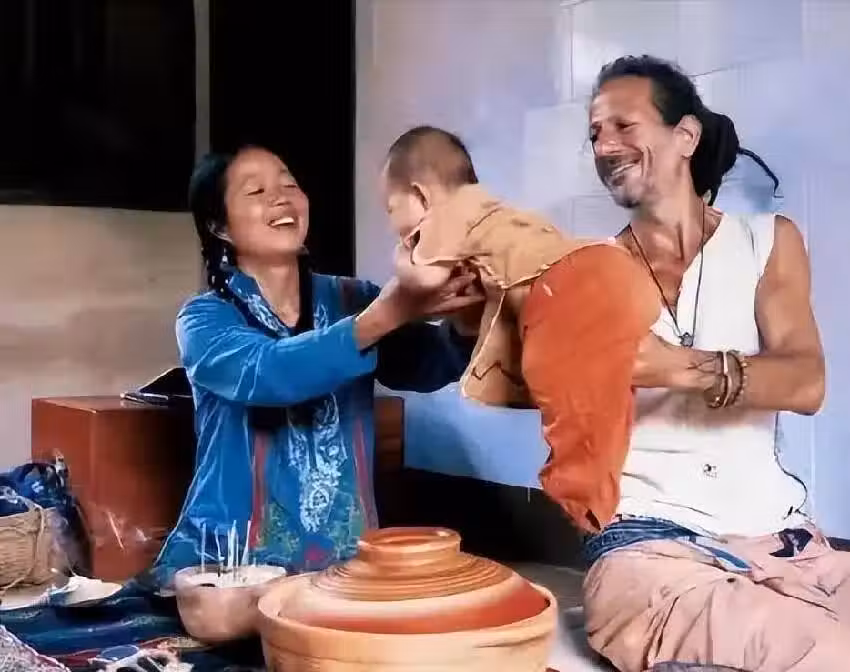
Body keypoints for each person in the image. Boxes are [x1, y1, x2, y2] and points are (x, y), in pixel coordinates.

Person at [581, 55, 844, 671]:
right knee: (827, 652)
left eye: (623, 126)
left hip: (784, 540)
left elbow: (805, 382)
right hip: (646, 545)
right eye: (594, 134)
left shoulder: (767, 241)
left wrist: (673, 367)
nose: (605, 146)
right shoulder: (585, 272)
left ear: (686, 136)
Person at [153, 145, 483, 580]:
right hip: (228, 564)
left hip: (343, 568)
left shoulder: (354, 298)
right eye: (256, 191)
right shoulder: (204, 318)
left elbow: (427, 364)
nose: (281, 197)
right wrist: (387, 313)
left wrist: (468, 317)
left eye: (289, 184)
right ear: (219, 226)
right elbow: (268, 372)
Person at [380, 125, 660, 534]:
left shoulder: (441, 222)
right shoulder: (492, 210)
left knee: (559, 389)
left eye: (391, 208)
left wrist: (402, 264)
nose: (393, 224)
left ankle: (579, 496)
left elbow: (425, 280)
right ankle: (601, 487)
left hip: (561, 289)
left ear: (421, 196)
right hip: (610, 269)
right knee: (603, 395)